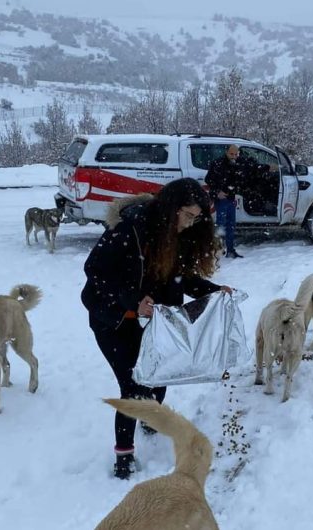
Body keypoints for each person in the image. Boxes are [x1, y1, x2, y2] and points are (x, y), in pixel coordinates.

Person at [81, 178, 232, 479]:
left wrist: (213, 290)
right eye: (187, 215)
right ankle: (124, 456)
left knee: (160, 376)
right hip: (114, 320)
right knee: (133, 386)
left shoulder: (174, 235)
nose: (190, 223)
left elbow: (180, 278)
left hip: (152, 321)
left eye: (195, 218)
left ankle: (150, 417)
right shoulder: (129, 230)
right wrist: (132, 301)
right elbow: (96, 274)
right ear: (171, 208)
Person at [204, 144, 277, 258]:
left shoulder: (240, 163)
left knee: (231, 226)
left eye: (236, 154)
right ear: (226, 152)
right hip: (221, 199)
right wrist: (217, 192)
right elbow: (208, 179)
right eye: (231, 154)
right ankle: (215, 252)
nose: (234, 156)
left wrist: (268, 167)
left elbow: (254, 168)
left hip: (231, 198)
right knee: (220, 226)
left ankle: (230, 251)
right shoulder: (218, 164)